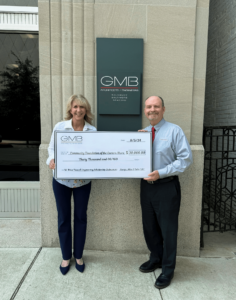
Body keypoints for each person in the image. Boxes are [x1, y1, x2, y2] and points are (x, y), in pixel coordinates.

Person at [139, 96, 193, 289]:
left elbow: (185, 159)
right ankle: (156, 258)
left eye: (156, 106)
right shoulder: (142, 133)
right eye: (148, 106)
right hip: (146, 187)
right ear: (145, 110)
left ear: (163, 109)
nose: (152, 109)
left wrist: (160, 173)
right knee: (150, 227)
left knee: (168, 231)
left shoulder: (174, 131)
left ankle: (168, 270)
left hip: (166, 186)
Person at [46, 94, 96, 275]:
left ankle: (80, 255)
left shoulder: (92, 131)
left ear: (86, 110)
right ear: (70, 109)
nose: (78, 110)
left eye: (82, 107)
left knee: (81, 218)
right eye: (75, 107)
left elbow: (96, 153)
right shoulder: (60, 127)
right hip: (61, 181)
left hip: (83, 182)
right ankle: (66, 257)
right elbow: (51, 148)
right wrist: (51, 160)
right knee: (64, 218)